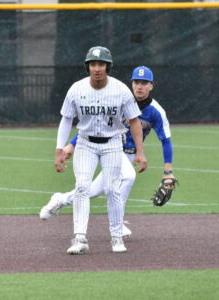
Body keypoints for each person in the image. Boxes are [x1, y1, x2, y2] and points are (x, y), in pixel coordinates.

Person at [43, 65, 174, 247]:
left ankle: (60, 199)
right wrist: (72, 145)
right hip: (113, 148)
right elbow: (95, 124)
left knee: (93, 191)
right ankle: (118, 223)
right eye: (136, 82)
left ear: (152, 85)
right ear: (132, 84)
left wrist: (168, 170)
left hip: (130, 155)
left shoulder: (156, 111)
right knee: (128, 177)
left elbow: (166, 140)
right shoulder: (120, 98)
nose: (139, 86)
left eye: (144, 83)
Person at [54, 46, 147, 255]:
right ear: (88, 66)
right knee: (81, 187)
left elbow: (134, 120)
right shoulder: (76, 89)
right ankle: (80, 238)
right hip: (86, 143)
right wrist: (59, 150)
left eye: (101, 64)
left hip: (113, 143)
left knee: (113, 189)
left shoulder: (121, 90)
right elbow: (66, 119)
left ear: (108, 67)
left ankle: (116, 237)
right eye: (93, 64)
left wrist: (140, 152)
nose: (97, 68)